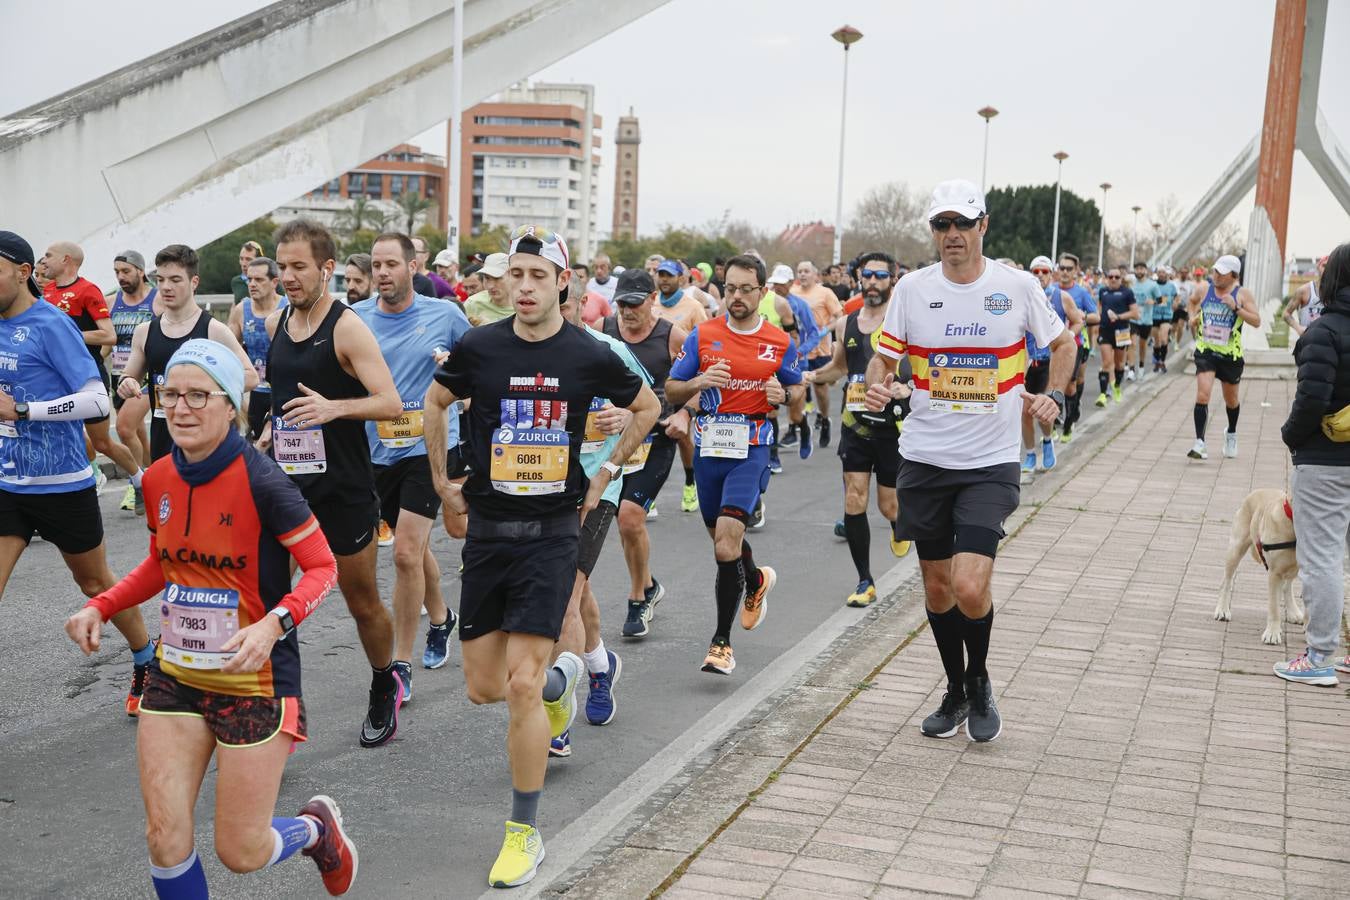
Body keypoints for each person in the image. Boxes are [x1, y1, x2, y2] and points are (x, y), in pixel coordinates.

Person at [64, 339, 358, 897]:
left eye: (199, 395)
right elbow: (161, 561)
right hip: (175, 676)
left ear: (231, 406)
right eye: (170, 394)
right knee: (164, 837)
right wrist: (101, 604)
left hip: (255, 681)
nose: (180, 407)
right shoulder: (156, 480)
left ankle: (317, 831)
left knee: (241, 851)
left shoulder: (266, 484)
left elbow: (322, 569)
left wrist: (274, 623)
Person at [424, 224, 658, 887]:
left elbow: (645, 405)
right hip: (490, 534)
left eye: (536, 276)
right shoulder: (479, 346)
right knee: (483, 688)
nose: (523, 287)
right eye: (515, 276)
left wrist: (607, 474)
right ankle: (565, 681)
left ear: (563, 282)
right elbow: (434, 403)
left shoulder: (587, 353)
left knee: (520, 686)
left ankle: (524, 832)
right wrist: (444, 483)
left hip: (553, 532)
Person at [864, 180, 1074, 743]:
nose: (952, 235)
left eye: (962, 224)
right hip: (925, 457)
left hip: (990, 460)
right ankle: (955, 689)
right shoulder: (913, 290)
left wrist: (1054, 393)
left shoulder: (1018, 286)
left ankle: (978, 682)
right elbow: (882, 362)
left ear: (983, 226)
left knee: (970, 585)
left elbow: (1063, 344)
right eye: (941, 225)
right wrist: (878, 387)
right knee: (936, 590)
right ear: (933, 232)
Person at [262, 218, 405, 748]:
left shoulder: (346, 327)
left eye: (298, 267)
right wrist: (266, 431)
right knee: (274, 599)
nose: (288, 277)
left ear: (326, 269)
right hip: (284, 487)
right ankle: (283, 705)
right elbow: (282, 399)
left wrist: (333, 408)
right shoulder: (280, 322)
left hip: (342, 489)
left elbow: (389, 402)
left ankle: (382, 680)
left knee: (361, 599)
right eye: (282, 267)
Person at [0, 230, 154, 717]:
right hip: (7, 484)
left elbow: (95, 400)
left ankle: (147, 659)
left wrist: (24, 410)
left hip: (62, 484)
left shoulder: (52, 325)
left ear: (23, 273)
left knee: (95, 585)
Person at [665, 253, 804, 676]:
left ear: (762, 292)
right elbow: (671, 390)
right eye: (731, 289)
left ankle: (721, 643)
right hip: (709, 449)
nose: (737, 297)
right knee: (721, 540)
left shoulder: (780, 341)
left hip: (753, 447)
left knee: (727, 540)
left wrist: (785, 396)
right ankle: (755, 579)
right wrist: (698, 383)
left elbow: (797, 393)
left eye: (747, 289)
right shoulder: (703, 335)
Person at [352, 232, 470, 701]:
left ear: (412, 267)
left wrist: (455, 371)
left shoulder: (444, 314)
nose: (382, 273)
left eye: (391, 265)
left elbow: (478, 367)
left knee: (404, 552)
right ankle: (442, 617)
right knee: (414, 550)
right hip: (374, 451)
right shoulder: (356, 319)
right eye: (376, 265)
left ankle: (399, 663)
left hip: (428, 449)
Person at [547, 282, 654, 756]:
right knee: (578, 588)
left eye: (565, 304)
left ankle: (556, 715)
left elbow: (649, 406)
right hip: (540, 485)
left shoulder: (607, 351)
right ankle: (598, 665)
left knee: (563, 598)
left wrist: (619, 416)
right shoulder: (526, 352)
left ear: (579, 306)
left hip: (596, 487)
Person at [803, 250, 911, 608]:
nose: (874, 283)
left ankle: (898, 526)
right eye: (869, 275)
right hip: (856, 426)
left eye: (882, 276)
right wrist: (811, 376)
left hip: (892, 428)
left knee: (889, 506)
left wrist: (906, 388)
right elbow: (838, 368)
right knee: (854, 498)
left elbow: (919, 371)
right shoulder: (845, 323)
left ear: (892, 280)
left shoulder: (903, 323)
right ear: (859, 278)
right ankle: (865, 579)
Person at [1275, 242, 1350, 685]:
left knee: (1322, 558)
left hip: (1325, 461)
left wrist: (1290, 435)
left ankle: (1320, 655)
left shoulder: (1325, 331)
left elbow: (1312, 401)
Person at [601, 268, 691, 637]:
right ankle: (649, 583)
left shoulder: (673, 336)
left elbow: (697, 385)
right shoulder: (604, 331)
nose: (627, 311)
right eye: (622, 303)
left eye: (635, 304)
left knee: (630, 518)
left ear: (653, 300)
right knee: (626, 526)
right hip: (611, 442)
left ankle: (639, 598)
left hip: (656, 440)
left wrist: (685, 412)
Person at [116, 245, 258, 462]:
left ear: (194, 282)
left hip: (207, 444)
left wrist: (199, 388)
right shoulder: (145, 332)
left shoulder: (213, 329)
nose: (166, 287)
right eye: (161, 280)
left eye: (175, 280)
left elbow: (251, 376)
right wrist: (127, 384)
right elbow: (127, 377)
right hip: (164, 441)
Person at [41, 242, 147, 496]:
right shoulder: (45, 293)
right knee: (59, 436)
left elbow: (108, 336)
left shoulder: (87, 290)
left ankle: (140, 480)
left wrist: (70, 334)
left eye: (48, 256)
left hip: (86, 376)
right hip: (55, 379)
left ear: (66, 260)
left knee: (102, 441)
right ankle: (85, 479)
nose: (44, 260)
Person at [1187, 255, 1260, 460]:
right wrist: (1193, 317)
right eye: (1215, 271)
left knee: (1231, 400)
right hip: (1206, 351)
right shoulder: (1205, 289)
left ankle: (1231, 432)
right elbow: (1192, 302)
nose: (1216, 275)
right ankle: (1200, 443)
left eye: (1221, 273)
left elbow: (1256, 321)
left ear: (1234, 275)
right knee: (1203, 395)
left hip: (1230, 355)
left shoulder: (1242, 294)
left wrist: (1236, 307)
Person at [109, 250, 160, 513]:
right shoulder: (112, 302)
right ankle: (152, 479)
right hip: (120, 376)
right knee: (138, 431)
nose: (121, 277)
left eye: (126, 271)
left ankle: (137, 483)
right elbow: (107, 339)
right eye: (117, 272)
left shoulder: (157, 299)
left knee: (125, 428)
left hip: (146, 376)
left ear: (141, 271)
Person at [1023, 256, 1083, 471]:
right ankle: (1030, 454)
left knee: (1042, 409)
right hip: (1028, 362)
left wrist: (1067, 336)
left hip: (1050, 362)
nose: (1040, 276)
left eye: (1044, 272)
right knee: (1024, 412)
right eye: (1036, 272)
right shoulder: (1024, 296)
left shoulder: (1061, 297)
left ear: (1052, 274)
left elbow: (1078, 321)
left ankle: (1047, 441)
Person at [228, 256, 288, 441]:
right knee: (256, 447)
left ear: (274, 282)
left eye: (259, 280)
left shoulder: (287, 307)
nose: (252, 284)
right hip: (254, 392)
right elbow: (227, 351)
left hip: (283, 390)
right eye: (249, 279)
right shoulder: (241, 310)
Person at [793, 261, 845, 447]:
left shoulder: (825, 293)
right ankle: (797, 425)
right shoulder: (792, 292)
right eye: (799, 271)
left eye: (806, 271)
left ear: (815, 274)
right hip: (799, 350)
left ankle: (824, 419)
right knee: (798, 387)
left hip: (820, 347)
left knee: (820, 389)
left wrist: (825, 330)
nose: (803, 274)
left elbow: (839, 317)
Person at [1055, 253, 1098, 442]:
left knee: (1071, 384)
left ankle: (1068, 424)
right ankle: (1056, 423)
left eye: (1069, 269)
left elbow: (1096, 317)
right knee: (1053, 385)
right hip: (1051, 345)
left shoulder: (1081, 293)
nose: (1064, 272)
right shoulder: (1051, 290)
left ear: (1076, 271)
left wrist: (1081, 317)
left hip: (1075, 343)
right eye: (1062, 268)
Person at [1093, 267, 1139, 407]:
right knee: (1106, 363)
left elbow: (1135, 313)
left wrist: (1118, 316)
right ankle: (1102, 394)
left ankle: (1117, 386)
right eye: (1110, 276)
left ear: (1121, 279)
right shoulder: (1103, 291)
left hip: (1122, 332)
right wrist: (1097, 322)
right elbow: (1100, 309)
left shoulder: (1127, 293)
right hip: (1105, 331)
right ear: (1107, 278)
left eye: (1116, 277)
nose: (1113, 279)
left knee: (1119, 364)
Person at [1283, 254, 1328, 339]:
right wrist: (1298, 328)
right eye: (1324, 266)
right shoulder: (1304, 291)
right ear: (1318, 267)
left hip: (1328, 341)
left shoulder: (1337, 293)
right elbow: (1286, 314)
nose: (1326, 270)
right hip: (1307, 341)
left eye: (1330, 267)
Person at [1128, 261, 1160, 381]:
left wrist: (1154, 302)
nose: (1139, 271)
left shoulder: (1152, 285)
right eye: (1137, 269)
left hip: (1146, 320)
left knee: (1142, 345)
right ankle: (1131, 369)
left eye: (1142, 269)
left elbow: (1162, 300)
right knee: (1132, 343)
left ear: (1145, 271)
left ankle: (1141, 367)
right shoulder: (1131, 284)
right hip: (1133, 319)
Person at [464, 253, 512, 325]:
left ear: (512, 276)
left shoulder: (525, 306)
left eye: (497, 278)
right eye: (487, 278)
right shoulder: (473, 303)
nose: (490, 286)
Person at [1151, 266, 1177, 372]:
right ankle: (1157, 361)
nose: (1161, 274)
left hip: (1166, 315)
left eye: (1163, 272)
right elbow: (1150, 299)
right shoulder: (1153, 285)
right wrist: (1165, 300)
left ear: (1166, 274)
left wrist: (1176, 302)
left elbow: (1176, 297)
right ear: (1157, 274)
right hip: (1154, 315)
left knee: (1163, 339)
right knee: (1156, 342)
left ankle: (1162, 361)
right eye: (1159, 272)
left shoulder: (1171, 286)